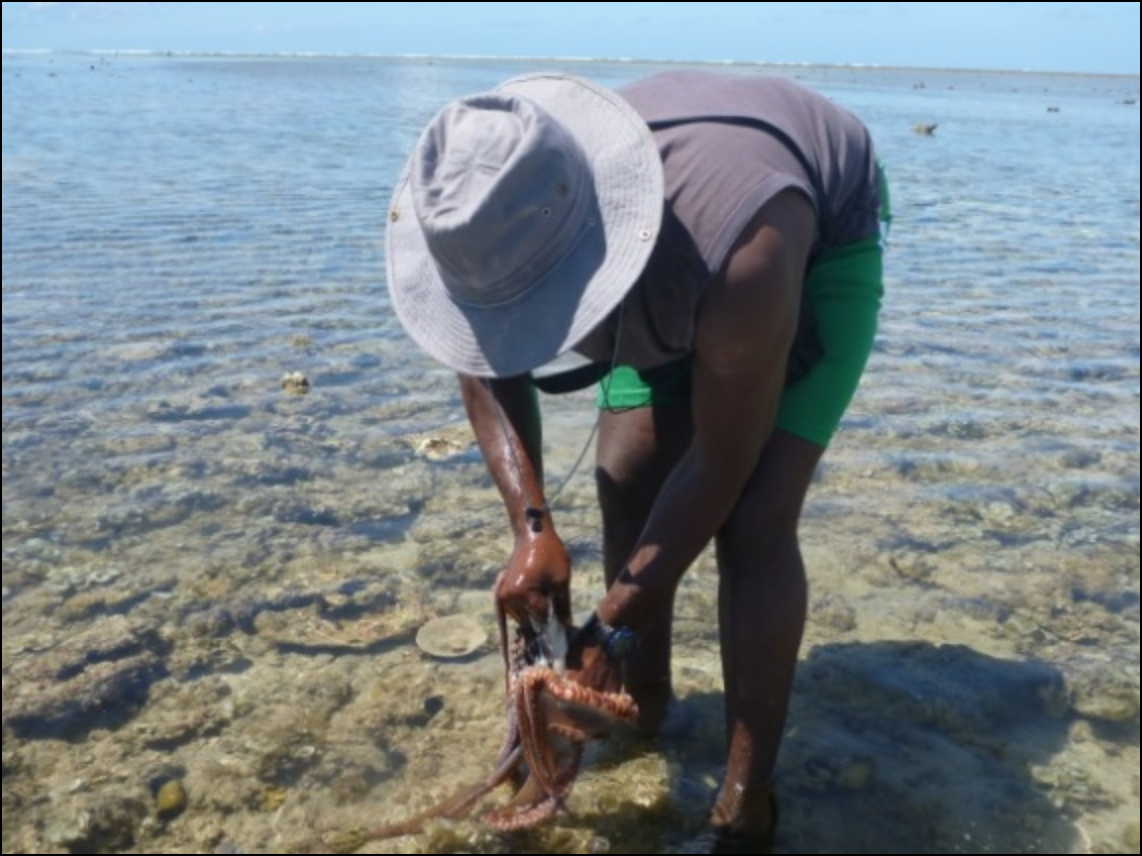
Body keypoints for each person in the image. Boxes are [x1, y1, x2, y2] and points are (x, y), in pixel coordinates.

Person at [385, 68, 887, 849]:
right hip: (681, 258)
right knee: (627, 481)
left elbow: (725, 460)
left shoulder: (742, 253)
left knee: (753, 518)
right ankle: (646, 710)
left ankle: (746, 804)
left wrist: (610, 628)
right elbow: (481, 354)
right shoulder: (488, 207)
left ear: (592, 257)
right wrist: (531, 527)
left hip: (795, 238)